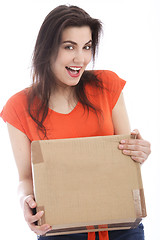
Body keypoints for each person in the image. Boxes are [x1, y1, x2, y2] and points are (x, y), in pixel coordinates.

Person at [0, 4, 151, 240]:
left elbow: (125, 162)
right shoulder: (18, 107)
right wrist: (24, 202)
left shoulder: (107, 85)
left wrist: (138, 151)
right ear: (47, 49)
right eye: (69, 47)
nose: (80, 58)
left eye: (87, 47)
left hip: (122, 227)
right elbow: (25, 178)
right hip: (60, 231)